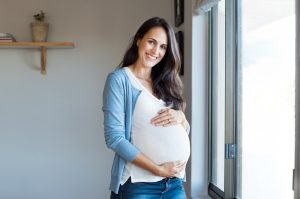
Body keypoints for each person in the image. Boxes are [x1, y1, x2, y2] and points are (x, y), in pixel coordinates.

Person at [102, 17, 190, 199]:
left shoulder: (166, 83)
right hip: (139, 185)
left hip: (174, 183)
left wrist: (181, 117)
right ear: (138, 40)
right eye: (151, 42)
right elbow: (114, 138)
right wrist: (158, 169)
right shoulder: (120, 80)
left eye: (163, 47)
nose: (155, 51)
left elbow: (183, 130)